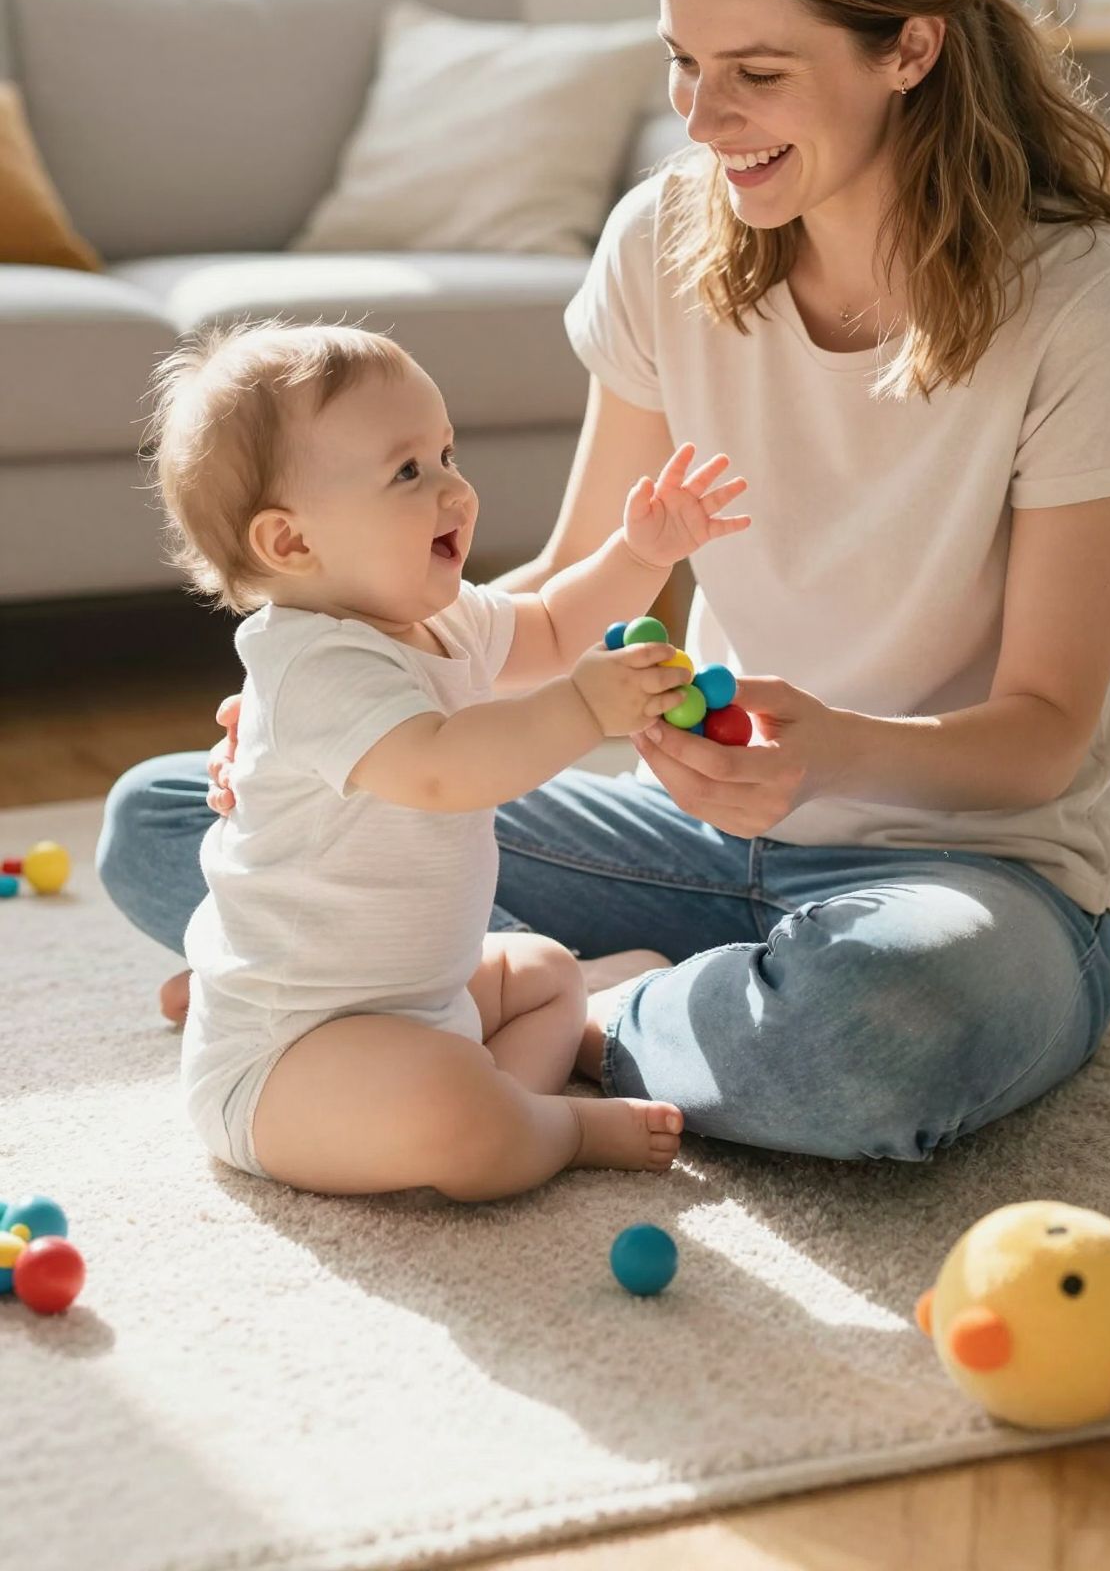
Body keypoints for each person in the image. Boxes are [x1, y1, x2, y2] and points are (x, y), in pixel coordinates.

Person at [100, 0, 1110, 1167]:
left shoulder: (1087, 310)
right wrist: (345, 703)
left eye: (756, 75)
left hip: (966, 876)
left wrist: (830, 746)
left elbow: (1043, 733)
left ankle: (574, 1014)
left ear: (910, 46)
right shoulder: (666, 240)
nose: (703, 121)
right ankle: (518, 1005)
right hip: (690, 831)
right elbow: (574, 595)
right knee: (172, 819)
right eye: (682, 62)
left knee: (865, 1037)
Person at [138, 317, 751, 1198]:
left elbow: (546, 628)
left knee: (542, 975)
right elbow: (440, 769)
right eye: (409, 472)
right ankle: (555, 1127)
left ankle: (497, 1105)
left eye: (448, 454)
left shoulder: (437, 613)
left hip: (421, 1003)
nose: (455, 492)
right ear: (292, 543)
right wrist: (583, 705)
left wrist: (638, 555)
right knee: (451, 1117)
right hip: (292, 1055)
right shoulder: (316, 662)